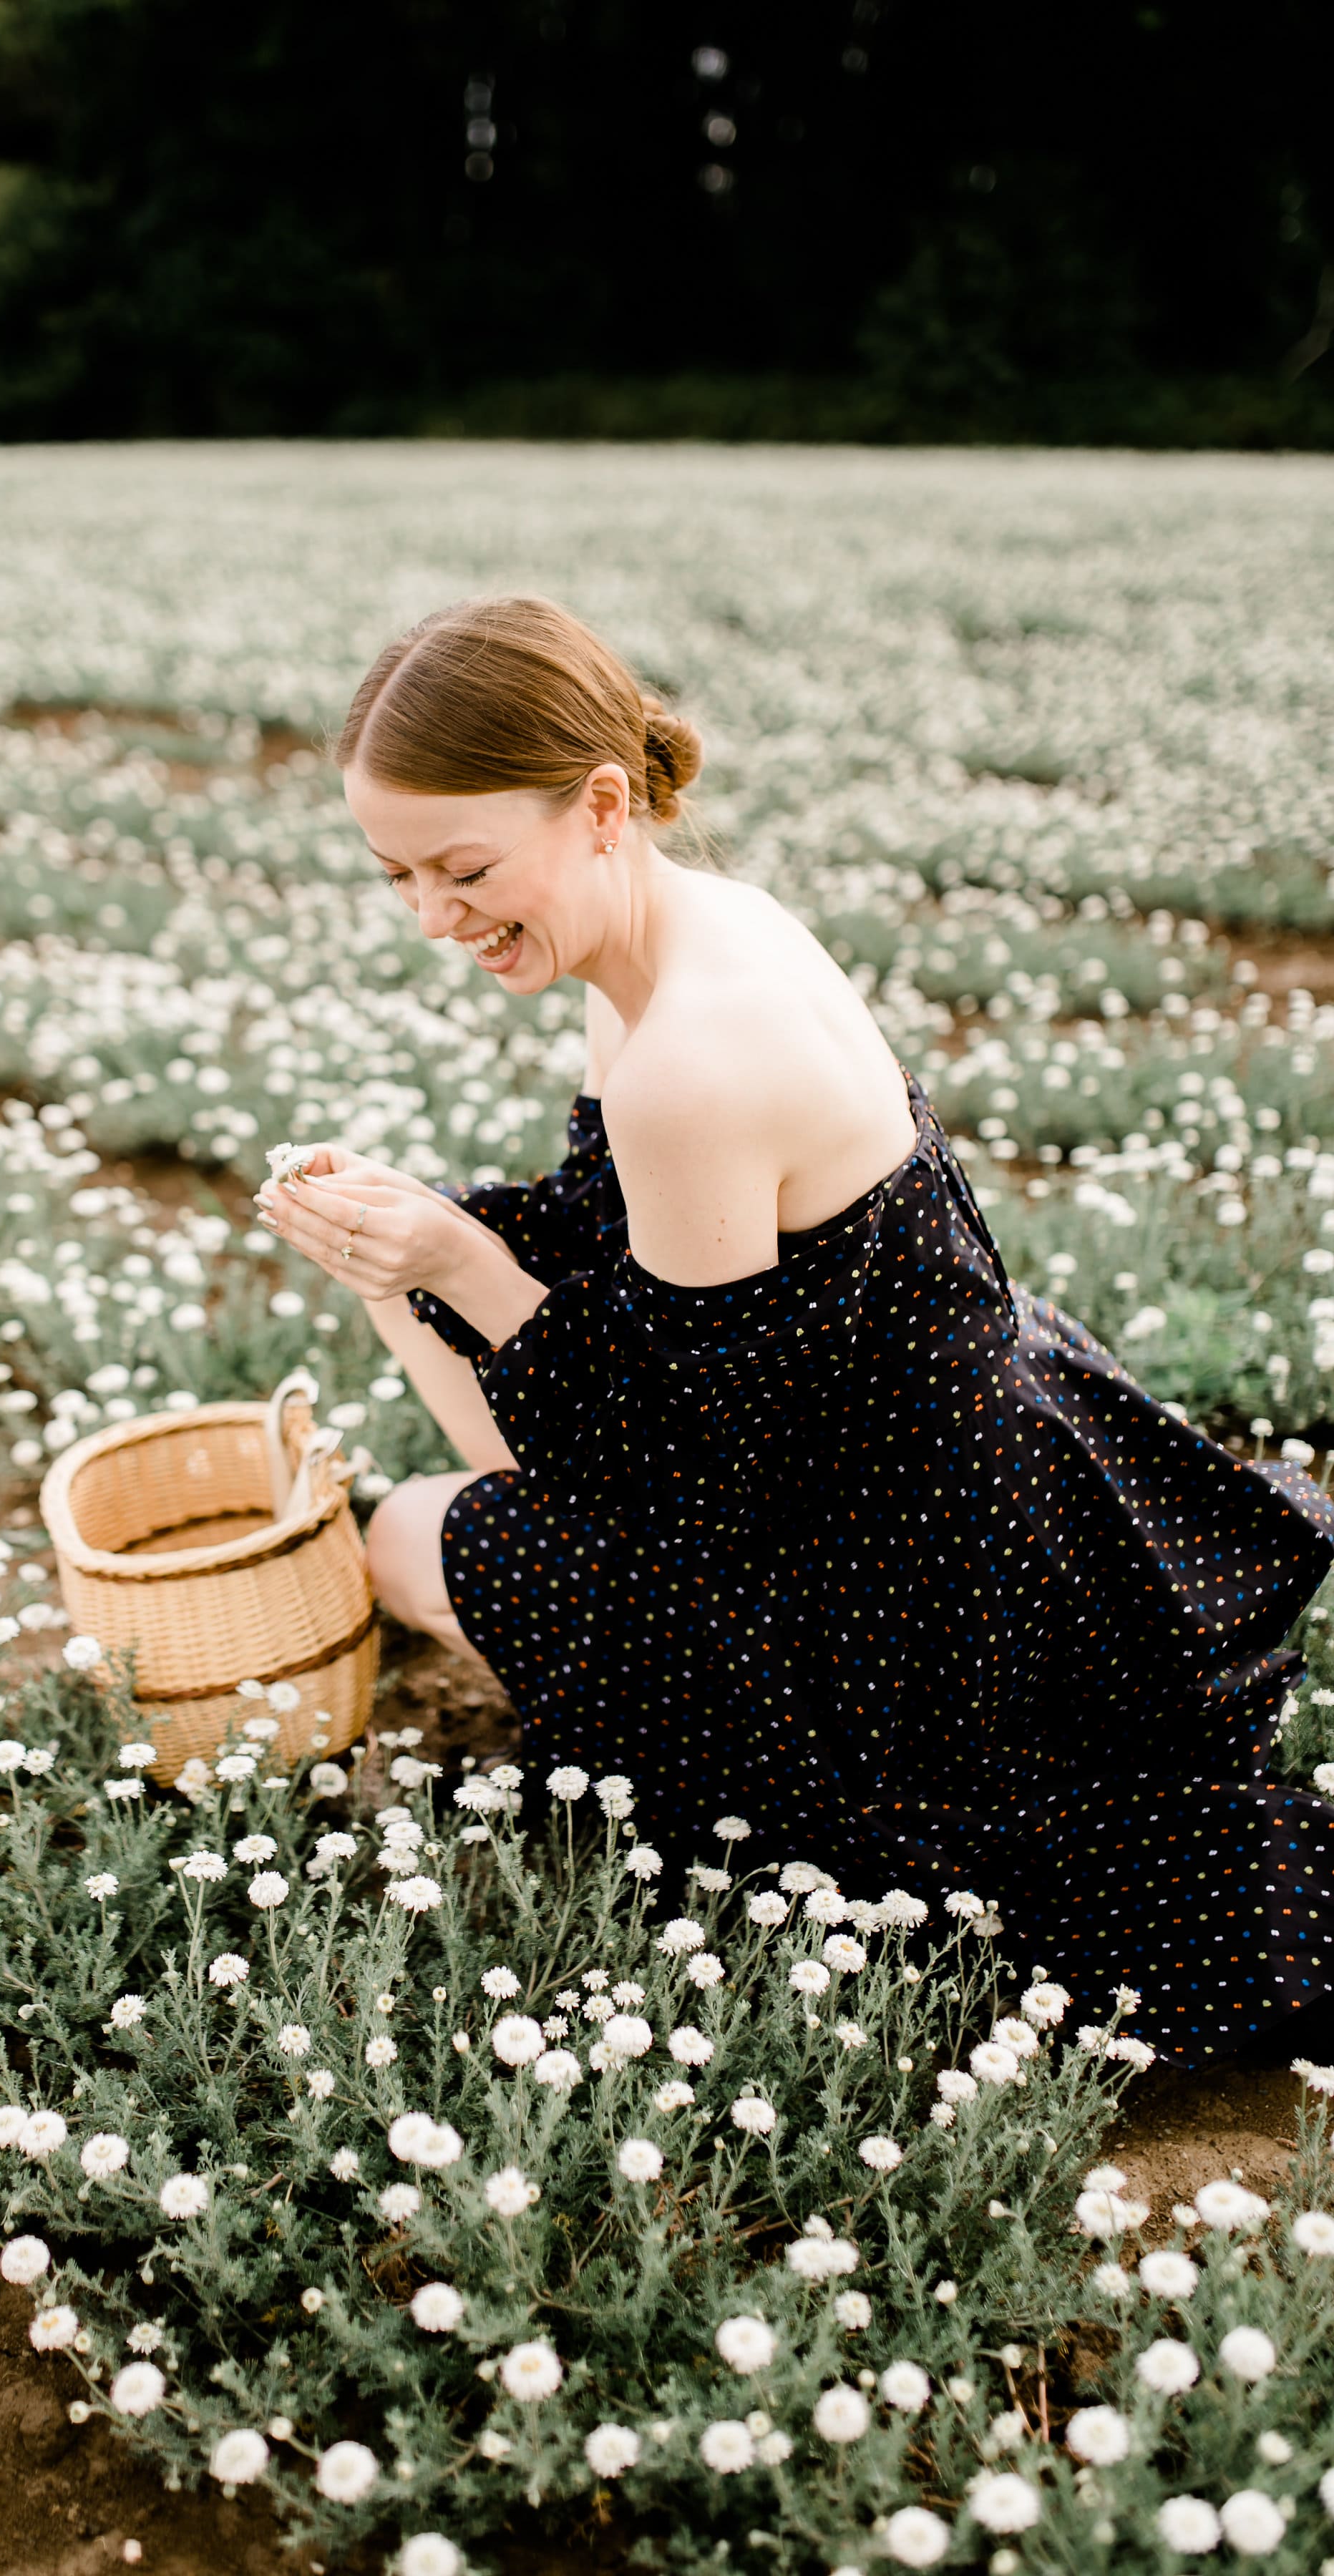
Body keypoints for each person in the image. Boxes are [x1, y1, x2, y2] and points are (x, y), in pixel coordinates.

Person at [254, 594, 1334, 2063]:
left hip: (906, 1596)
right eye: (398, 877)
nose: (435, 917)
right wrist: (424, 1250)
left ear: (601, 806)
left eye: (465, 868)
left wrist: (428, 1272)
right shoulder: (688, 937)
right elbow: (629, 1274)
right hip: (981, 1471)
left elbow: (646, 1475)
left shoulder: (686, 1063)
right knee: (451, 1454)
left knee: (409, 1536)